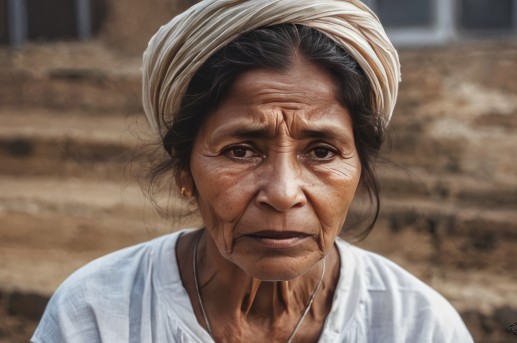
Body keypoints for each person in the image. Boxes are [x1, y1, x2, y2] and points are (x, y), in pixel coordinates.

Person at [32, 1, 473, 342]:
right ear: (184, 171)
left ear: (358, 168)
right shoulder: (96, 317)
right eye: (241, 150)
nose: (283, 194)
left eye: (320, 151)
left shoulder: (416, 326)